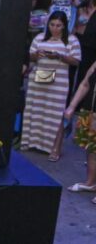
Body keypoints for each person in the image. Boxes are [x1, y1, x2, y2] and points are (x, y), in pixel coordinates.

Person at [22, 11, 81, 160]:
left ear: (64, 26)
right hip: (39, 78)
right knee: (36, 110)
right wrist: (38, 55)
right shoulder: (40, 38)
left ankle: (56, 148)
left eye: (59, 25)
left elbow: (76, 61)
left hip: (59, 83)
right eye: (52, 24)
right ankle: (34, 142)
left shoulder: (72, 40)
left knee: (56, 114)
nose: (55, 28)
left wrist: (60, 56)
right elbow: (30, 57)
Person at [63, 60, 96, 202]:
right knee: (92, 149)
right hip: (91, 111)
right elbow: (85, 84)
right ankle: (90, 183)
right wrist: (71, 106)